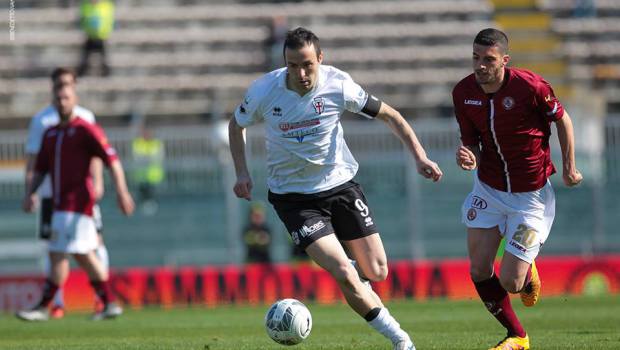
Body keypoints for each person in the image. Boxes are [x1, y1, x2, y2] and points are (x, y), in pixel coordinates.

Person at [229, 27, 442, 350]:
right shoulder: (264, 91)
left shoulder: (338, 85)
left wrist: (420, 156)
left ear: (320, 59)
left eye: (307, 65)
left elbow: (391, 116)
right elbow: (236, 125)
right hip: (294, 199)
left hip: (341, 187)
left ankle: (356, 280)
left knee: (378, 270)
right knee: (344, 271)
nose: (300, 73)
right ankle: (401, 339)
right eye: (292, 65)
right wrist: (242, 172)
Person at [453, 28, 583, 350]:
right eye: (475, 58)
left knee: (511, 282)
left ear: (505, 61)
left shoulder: (531, 87)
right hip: (488, 190)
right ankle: (518, 337)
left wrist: (569, 167)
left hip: (530, 198)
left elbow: (563, 121)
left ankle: (525, 271)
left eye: (488, 59)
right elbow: (472, 143)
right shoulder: (463, 92)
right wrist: (468, 156)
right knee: (480, 269)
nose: (480, 65)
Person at [16, 74, 134, 322]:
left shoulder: (85, 129)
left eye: (66, 97)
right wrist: (30, 193)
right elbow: (40, 169)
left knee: (59, 252)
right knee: (81, 254)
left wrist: (122, 191)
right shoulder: (50, 134)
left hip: (77, 204)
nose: (62, 102)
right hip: (59, 204)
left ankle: (43, 306)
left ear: (74, 99)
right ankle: (108, 302)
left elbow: (111, 160)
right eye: (58, 98)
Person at [131, 126, 164, 215]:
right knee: (142, 191)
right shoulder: (138, 143)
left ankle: (152, 206)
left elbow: (158, 156)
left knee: (152, 192)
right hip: (142, 174)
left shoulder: (156, 143)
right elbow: (136, 155)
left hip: (153, 174)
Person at [77, 0, 115, 77]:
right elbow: (83, 20)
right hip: (90, 36)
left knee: (104, 57)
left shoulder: (107, 5)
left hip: (102, 36)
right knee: (85, 56)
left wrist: (105, 32)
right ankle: (81, 73)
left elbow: (109, 21)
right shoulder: (85, 6)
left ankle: (107, 73)